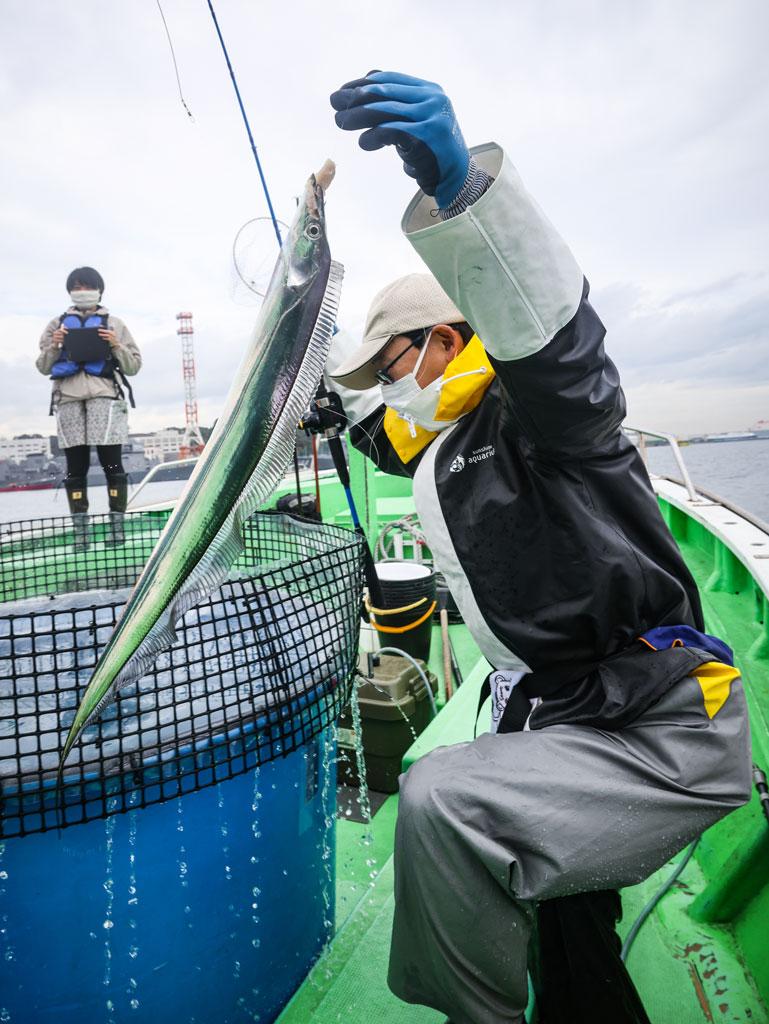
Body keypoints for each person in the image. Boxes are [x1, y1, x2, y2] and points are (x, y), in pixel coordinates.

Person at [327, 72, 752, 1024]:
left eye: (388, 365)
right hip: (557, 721)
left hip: (656, 726)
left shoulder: (540, 413)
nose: (383, 390)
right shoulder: (440, 443)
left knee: (441, 800)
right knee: (565, 923)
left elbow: (557, 346)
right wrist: (335, 408)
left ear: (445, 339)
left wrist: (459, 197)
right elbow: (395, 438)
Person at [36, 266, 141, 547]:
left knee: (112, 463)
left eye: (88, 286)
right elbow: (42, 366)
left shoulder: (115, 323)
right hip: (68, 398)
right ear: (70, 291)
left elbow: (134, 366)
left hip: (105, 397)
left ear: (99, 290)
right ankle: (81, 534)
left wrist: (117, 345)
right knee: (75, 467)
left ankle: (117, 530)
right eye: (77, 287)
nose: (82, 292)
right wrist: (55, 346)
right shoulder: (56, 325)